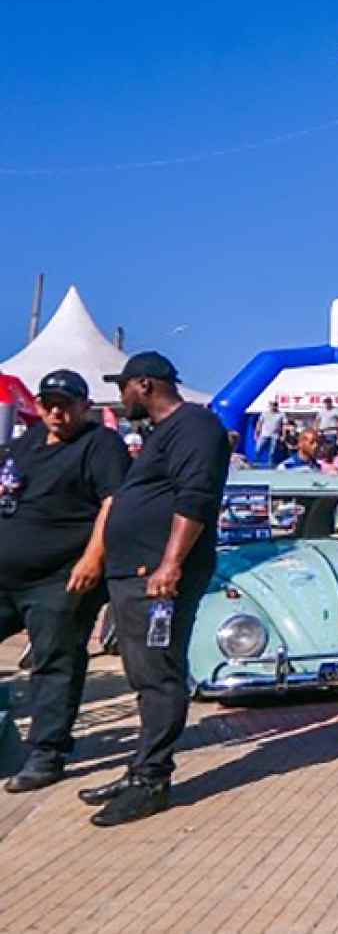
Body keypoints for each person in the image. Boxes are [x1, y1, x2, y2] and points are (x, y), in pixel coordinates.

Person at [82, 352, 230, 827]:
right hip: (135, 572)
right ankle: (138, 768)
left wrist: (169, 565)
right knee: (144, 675)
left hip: (157, 575)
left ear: (144, 384)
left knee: (160, 674)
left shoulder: (196, 426)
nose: (122, 396)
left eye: (124, 386)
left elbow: (196, 496)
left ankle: (151, 781)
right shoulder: (163, 433)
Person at [0, 371, 130, 794]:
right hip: (7, 576)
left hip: (60, 577)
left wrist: (93, 558)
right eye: (48, 403)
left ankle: (47, 752)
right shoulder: (24, 446)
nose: (56, 411)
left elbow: (114, 502)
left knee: (55, 663)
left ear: (83, 405)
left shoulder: (99, 444)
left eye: (66, 403)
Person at [252, 398, 282, 467]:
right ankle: (255, 463)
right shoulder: (264, 413)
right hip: (264, 434)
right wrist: (256, 433)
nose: (273, 407)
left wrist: (282, 435)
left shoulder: (280, 414)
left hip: (275, 435)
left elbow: (283, 425)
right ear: (270, 406)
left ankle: (270, 464)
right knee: (258, 449)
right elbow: (259, 423)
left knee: (272, 451)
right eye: (272, 405)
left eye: (275, 405)